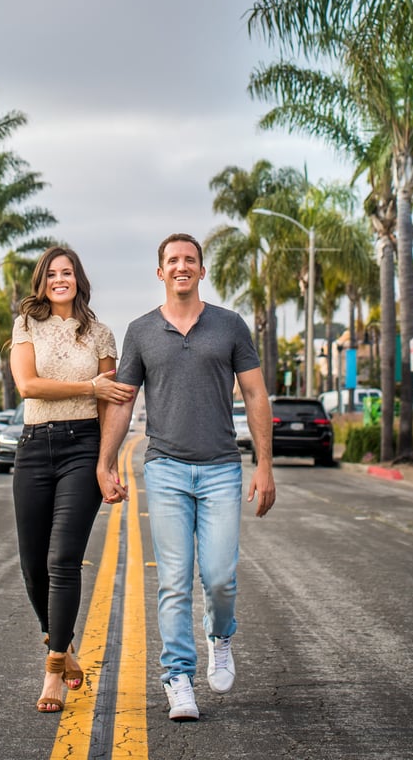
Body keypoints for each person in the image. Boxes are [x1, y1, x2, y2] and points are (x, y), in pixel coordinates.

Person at [97, 232, 276, 722]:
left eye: (189, 259)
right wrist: (105, 463)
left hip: (221, 468)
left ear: (201, 270)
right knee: (174, 581)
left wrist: (264, 465)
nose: (181, 266)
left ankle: (220, 635)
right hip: (166, 468)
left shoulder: (230, 325)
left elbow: (255, 395)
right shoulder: (141, 331)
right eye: (173, 260)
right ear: (160, 272)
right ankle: (178, 677)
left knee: (219, 578)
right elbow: (123, 401)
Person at [10, 245, 135, 713]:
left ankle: (53, 671)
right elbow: (27, 385)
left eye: (67, 272)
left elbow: (108, 402)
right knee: (32, 565)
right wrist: (88, 385)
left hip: (82, 447)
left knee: (62, 559)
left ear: (78, 279)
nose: (59, 279)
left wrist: (108, 463)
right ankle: (63, 645)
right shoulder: (26, 325)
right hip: (33, 446)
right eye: (51, 274)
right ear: (42, 282)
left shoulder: (101, 333)